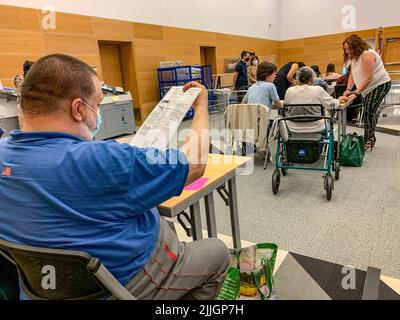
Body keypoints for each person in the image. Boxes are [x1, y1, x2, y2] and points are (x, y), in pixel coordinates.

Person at [0, 54, 230, 300]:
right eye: (97, 104)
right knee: (217, 252)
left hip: (41, 290)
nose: (97, 113)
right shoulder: (107, 160)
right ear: (78, 109)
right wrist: (202, 106)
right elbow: (194, 164)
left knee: (163, 222)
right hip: (121, 285)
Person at [340, 34, 391, 150]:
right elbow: (352, 74)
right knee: (370, 111)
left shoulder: (367, 55)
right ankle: (370, 137)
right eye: (345, 49)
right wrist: (348, 90)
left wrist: (355, 93)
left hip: (379, 85)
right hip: (368, 88)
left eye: (349, 48)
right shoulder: (354, 58)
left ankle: (368, 139)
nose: (347, 51)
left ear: (356, 46)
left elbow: (368, 77)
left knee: (368, 112)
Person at [284, 66, 338, 133]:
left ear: (297, 79)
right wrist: (339, 100)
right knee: (329, 121)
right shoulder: (318, 90)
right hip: (316, 128)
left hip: (292, 128)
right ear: (312, 79)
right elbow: (332, 104)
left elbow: (285, 107)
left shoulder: (289, 91)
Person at [242, 62, 282, 127]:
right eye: (274, 74)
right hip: (262, 123)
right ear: (267, 74)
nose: (275, 76)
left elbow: (242, 105)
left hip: (249, 123)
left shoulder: (251, 87)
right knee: (279, 122)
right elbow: (278, 105)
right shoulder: (271, 86)